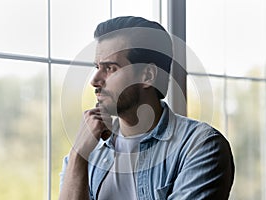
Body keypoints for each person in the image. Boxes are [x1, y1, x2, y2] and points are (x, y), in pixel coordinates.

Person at [59, 16, 234, 200]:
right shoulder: (87, 150)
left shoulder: (200, 146)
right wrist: (79, 155)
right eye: (97, 67)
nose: (94, 81)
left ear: (147, 75)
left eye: (110, 68)